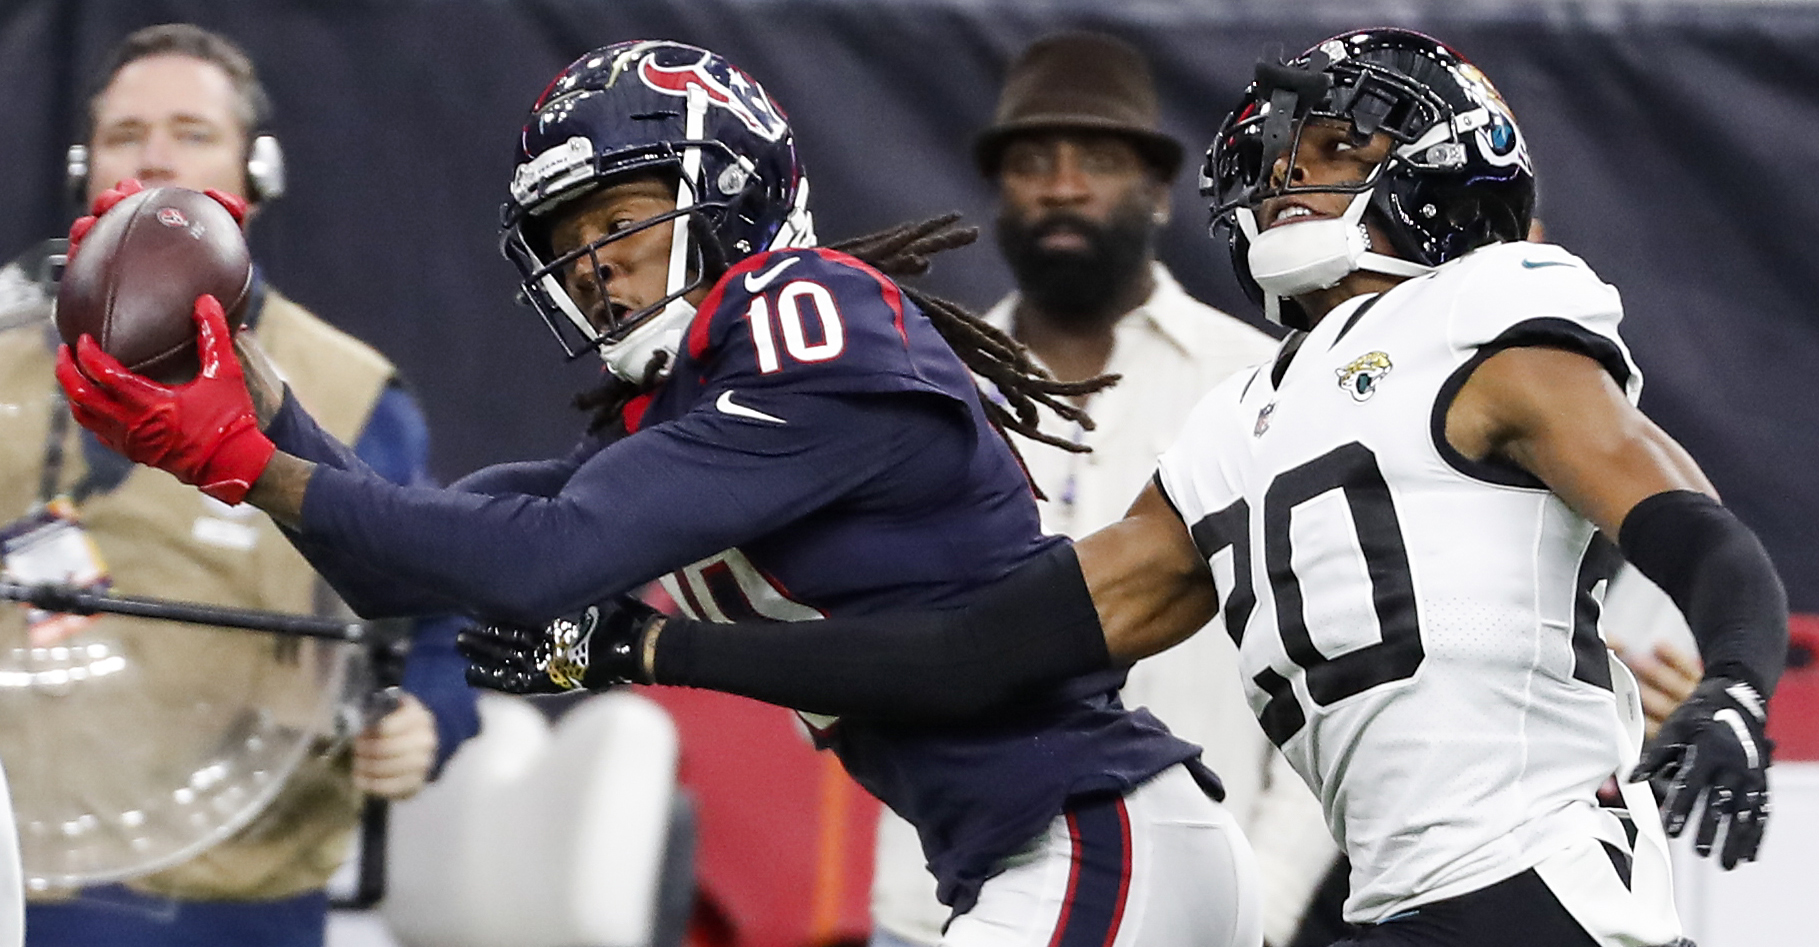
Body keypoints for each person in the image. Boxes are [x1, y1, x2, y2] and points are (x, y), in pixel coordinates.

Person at [544, 28, 1790, 947]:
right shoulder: (1243, 420)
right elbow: (963, 655)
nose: (1288, 176)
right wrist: (651, 643)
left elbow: (1697, 533)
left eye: (1338, 149)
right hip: (1394, 903)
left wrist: (1734, 678)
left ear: (1437, 174)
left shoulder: (1495, 333)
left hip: (1542, 886)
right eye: (1283, 152)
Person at [56, 40, 1263, 947]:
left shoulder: (814, 315)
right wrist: (265, 417)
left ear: (730, 194)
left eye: (623, 218)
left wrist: (254, 464)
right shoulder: (700, 403)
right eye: (571, 235)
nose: (596, 262)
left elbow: (540, 560)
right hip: (1028, 845)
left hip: (1091, 831)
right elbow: (417, 560)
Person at [0, 23, 476, 947]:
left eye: (192, 131)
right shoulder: (0, 361)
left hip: (224, 901)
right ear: (82, 169)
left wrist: (428, 716)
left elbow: (444, 606)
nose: (156, 160)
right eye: (125, 135)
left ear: (255, 175)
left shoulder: (345, 391)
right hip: (15, 880)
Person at [870, 31, 1329, 947]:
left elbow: (1330, 667)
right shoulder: (919, 390)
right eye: (1033, 160)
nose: (1065, 185)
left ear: (1159, 191)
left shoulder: (1259, 387)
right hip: (939, 911)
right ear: (999, 194)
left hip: (1187, 906)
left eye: (1101, 159)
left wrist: (1265, 898)